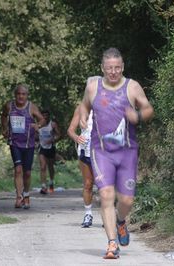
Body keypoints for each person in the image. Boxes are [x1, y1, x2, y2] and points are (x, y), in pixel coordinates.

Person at [80, 48, 154, 259]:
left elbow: (148, 109)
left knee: (127, 200)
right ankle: (112, 243)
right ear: (102, 68)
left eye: (117, 68)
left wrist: (138, 116)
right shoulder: (93, 87)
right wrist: (84, 117)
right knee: (105, 194)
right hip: (101, 151)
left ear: (122, 67)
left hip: (127, 152)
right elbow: (84, 105)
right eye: (109, 68)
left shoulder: (132, 87)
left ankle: (121, 221)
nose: (113, 72)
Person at [1, 84, 45, 209]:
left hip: (28, 144)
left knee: (27, 172)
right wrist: (4, 128)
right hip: (14, 143)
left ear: (27, 96)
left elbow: (42, 119)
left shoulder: (31, 107)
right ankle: (19, 196)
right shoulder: (9, 106)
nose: (21, 96)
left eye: (23, 94)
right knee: (18, 169)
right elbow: (3, 116)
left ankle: (26, 194)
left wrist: (38, 126)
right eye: (18, 94)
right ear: (15, 95)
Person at [67, 76, 100, 228]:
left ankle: (108, 217)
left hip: (103, 151)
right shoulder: (81, 108)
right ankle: (88, 214)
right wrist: (76, 137)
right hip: (85, 150)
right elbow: (71, 130)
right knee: (88, 184)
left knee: (105, 185)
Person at [37, 110, 61, 194]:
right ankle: (43, 186)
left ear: (48, 116)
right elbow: (34, 135)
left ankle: (51, 182)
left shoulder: (53, 124)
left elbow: (59, 135)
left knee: (50, 166)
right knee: (43, 166)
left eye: (46, 115)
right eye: (43, 115)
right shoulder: (38, 125)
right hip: (42, 147)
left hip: (51, 148)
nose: (45, 117)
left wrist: (53, 140)